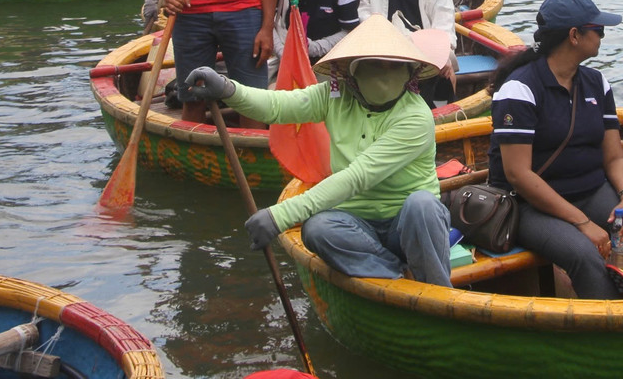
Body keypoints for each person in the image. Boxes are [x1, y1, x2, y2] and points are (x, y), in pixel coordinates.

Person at [181, 16, 453, 286]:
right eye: (372, 65)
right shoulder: (334, 96)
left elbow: (358, 177)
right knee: (318, 229)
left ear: (409, 72)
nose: (382, 74)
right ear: (352, 71)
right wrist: (228, 89)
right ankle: (391, 276)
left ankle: (436, 292)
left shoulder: (416, 117)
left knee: (423, 206)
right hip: (355, 225)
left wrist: (279, 216)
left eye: (392, 66)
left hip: (406, 223)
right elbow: (276, 106)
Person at [491, 0, 623, 299]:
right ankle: (614, 333)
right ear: (574, 35)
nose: (602, 36)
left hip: (590, 192)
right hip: (529, 205)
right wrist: (583, 223)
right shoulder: (519, 90)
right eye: (598, 30)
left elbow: (614, 157)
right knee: (585, 253)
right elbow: (519, 175)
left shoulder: (595, 82)